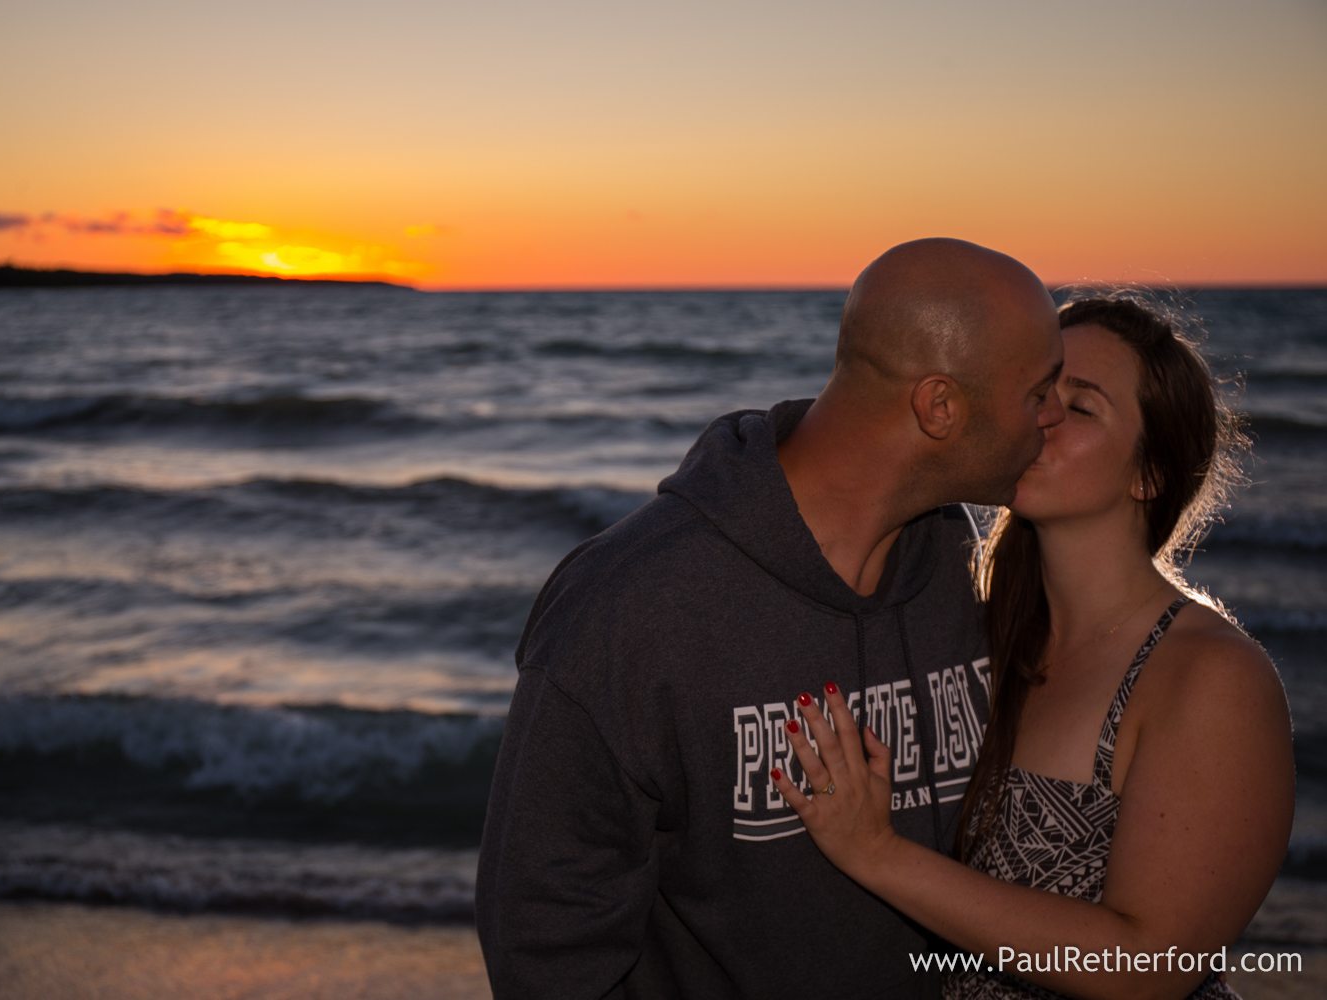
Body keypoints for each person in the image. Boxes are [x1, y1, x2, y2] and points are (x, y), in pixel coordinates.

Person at [477, 237, 1067, 998]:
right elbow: (547, 950)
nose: (1055, 417)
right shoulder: (630, 609)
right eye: (1040, 392)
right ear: (941, 407)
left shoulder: (960, 573)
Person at [771, 292, 1294, 998]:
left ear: (1150, 475)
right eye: (1038, 391)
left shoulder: (1209, 675)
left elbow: (1151, 965)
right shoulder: (975, 630)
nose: (1041, 416)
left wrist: (876, 854)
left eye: (1080, 407)